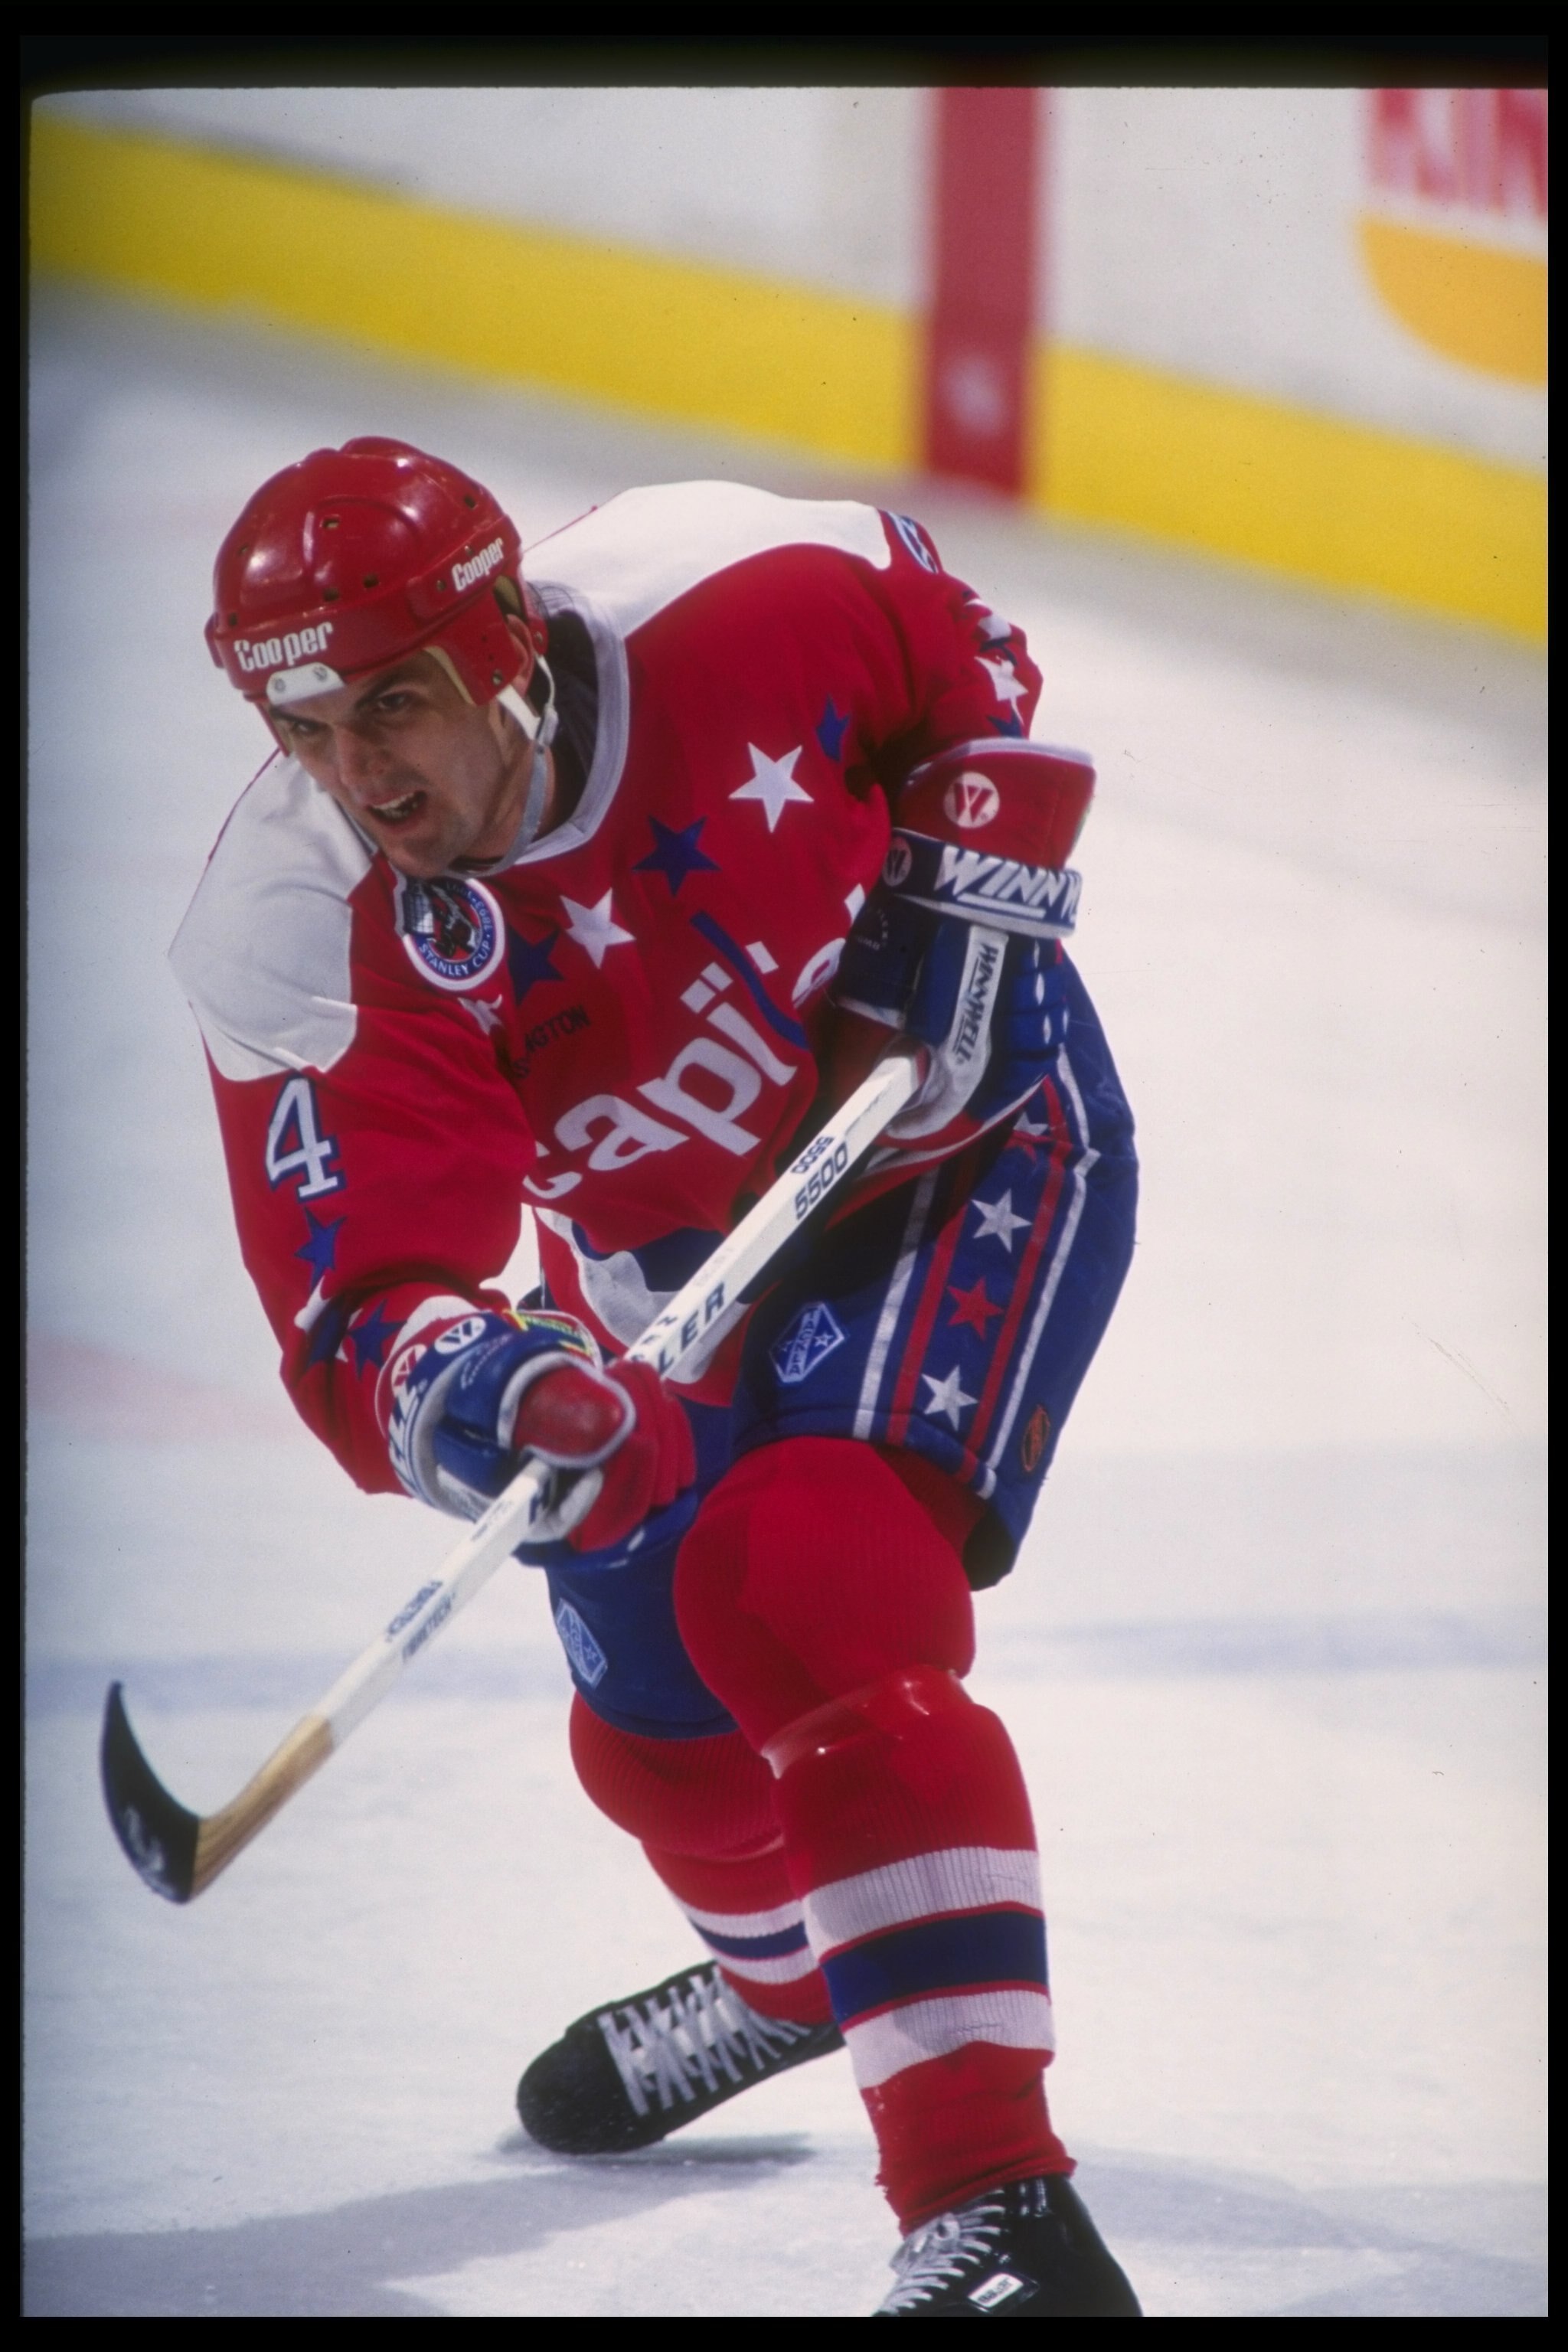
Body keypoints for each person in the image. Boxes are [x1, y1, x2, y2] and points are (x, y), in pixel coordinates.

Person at [174, 439, 1142, 2318]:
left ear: (503, 650)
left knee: (795, 1586)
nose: (362, 778)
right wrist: (503, 1390)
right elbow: (361, 1295)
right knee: (655, 1730)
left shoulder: (739, 589)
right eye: (310, 735)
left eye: (396, 707)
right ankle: (795, 1981)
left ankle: (997, 2215)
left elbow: (965, 662)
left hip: (966, 1161)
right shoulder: (294, 928)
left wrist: (968, 866)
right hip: (650, 1263)